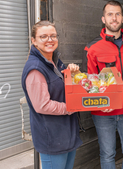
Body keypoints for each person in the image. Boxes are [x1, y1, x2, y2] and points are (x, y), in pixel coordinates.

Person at [83, 0, 123, 169]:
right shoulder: (92, 48)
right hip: (103, 112)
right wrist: (101, 101)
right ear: (103, 19)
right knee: (108, 154)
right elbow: (88, 81)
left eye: (117, 14)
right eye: (110, 14)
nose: (114, 18)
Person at [21, 21, 83, 169]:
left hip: (66, 134)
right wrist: (71, 107)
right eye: (44, 36)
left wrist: (73, 73)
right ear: (34, 41)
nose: (50, 40)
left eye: (53, 36)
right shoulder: (35, 69)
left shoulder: (54, 60)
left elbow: (65, 88)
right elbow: (42, 105)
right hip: (52, 138)